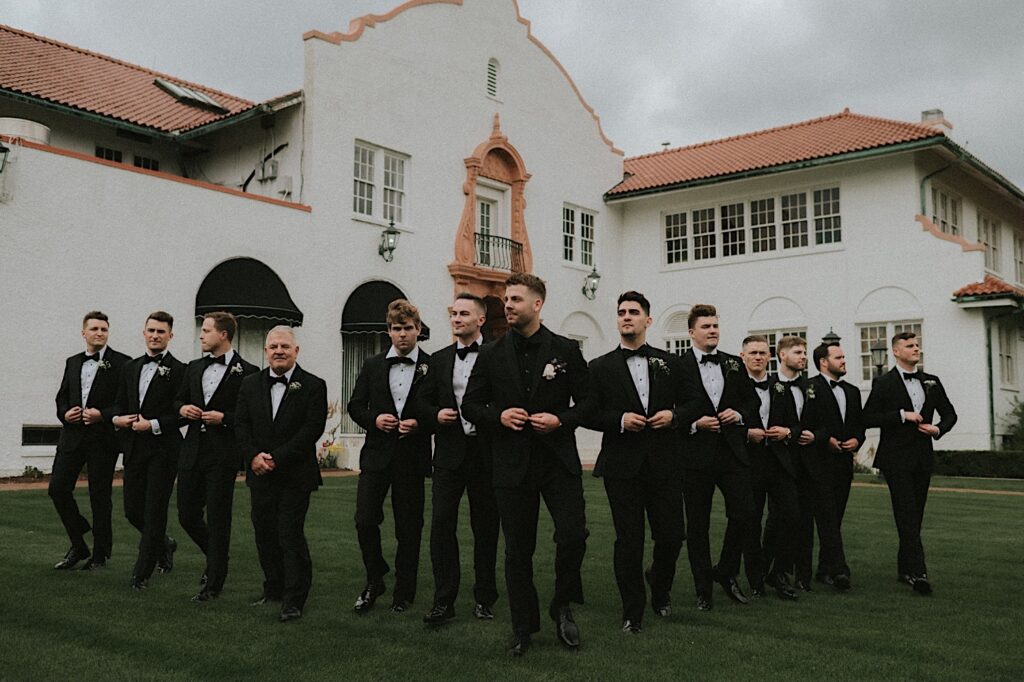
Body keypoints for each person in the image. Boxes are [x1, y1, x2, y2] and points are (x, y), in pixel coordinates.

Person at [462, 273, 589, 657]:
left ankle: (562, 604)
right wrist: (498, 416)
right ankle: (523, 626)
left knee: (573, 535)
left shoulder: (566, 350)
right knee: (518, 549)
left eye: (516, 299)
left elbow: (587, 403)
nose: (508, 305)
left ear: (538, 304)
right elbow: (470, 405)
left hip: (557, 461)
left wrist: (560, 420)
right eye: (507, 299)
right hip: (511, 463)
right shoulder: (490, 354)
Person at [585, 291, 686, 633]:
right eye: (621, 312)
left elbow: (694, 403)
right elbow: (588, 412)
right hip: (621, 465)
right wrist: (619, 420)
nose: (626, 316)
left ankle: (659, 585)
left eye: (634, 312)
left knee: (672, 536)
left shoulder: (670, 363)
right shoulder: (598, 367)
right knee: (629, 540)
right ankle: (633, 611)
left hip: (665, 462)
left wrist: (674, 415)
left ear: (648, 320)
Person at [418, 293, 500, 626]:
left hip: (486, 454)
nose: (456, 318)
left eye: (464, 313)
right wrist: (437, 414)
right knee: (441, 525)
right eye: (453, 313)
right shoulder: (438, 359)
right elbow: (420, 403)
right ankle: (443, 599)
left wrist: (490, 415)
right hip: (449, 456)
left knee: (486, 528)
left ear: (480, 319)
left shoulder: (498, 355)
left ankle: (484, 597)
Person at [236, 326, 327, 622]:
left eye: (285, 346)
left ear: (296, 351)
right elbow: (241, 425)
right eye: (273, 346)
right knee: (264, 533)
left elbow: (312, 429)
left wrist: (277, 457)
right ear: (265, 351)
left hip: (295, 474)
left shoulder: (313, 385)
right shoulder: (250, 384)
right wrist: (252, 457)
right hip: (259, 472)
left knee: (289, 533)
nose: (278, 351)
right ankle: (272, 588)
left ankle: (294, 598)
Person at [347, 300, 433, 614]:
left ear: (418, 330)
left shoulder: (431, 365)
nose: (402, 335)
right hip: (376, 456)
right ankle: (375, 577)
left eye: (407, 328)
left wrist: (420, 423)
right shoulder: (372, 365)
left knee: (409, 526)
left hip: (411, 457)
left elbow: (440, 411)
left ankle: (404, 590)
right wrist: (375, 420)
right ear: (389, 331)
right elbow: (355, 406)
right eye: (396, 329)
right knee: (364, 519)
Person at [677, 304, 757, 611]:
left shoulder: (734, 364)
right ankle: (703, 588)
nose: (713, 330)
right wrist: (695, 423)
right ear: (691, 332)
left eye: (715, 325)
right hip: (695, 455)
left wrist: (738, 414)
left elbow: (750, 402)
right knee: (697, 525)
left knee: (746, 513)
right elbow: (670, 407)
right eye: (706, 326)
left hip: (731, 452)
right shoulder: (678, 365)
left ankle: (725, 570)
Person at [864, 332, 956, 595]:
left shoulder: (932, 381)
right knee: (905, 513)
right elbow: (868, 417)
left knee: (915, 515)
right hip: (895, 459)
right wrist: (902, 416)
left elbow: (950, 414)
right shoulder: (884, 383)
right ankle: (919, 572)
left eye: (917, 345)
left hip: (922, 458)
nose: (916, 349)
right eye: (910, 346)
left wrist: (937, 429)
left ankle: (905, 568)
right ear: (896, 351)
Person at [175, 311, 259, 601]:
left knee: (219, 517)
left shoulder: (248, 372)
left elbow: (251, 417)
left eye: (206, 330)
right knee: (186, 514)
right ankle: (216, 558)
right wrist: (182, 410)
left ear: (223, 335)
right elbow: (179, 399)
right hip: (192, 451)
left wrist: (224, 418)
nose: (201, 335)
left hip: (223, 454)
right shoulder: (193, 367)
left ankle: (214, 581)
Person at [50, 311, 130, 570]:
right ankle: (79, 542)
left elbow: (124, 402)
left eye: (104, 329)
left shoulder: (122, 363)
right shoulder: (72, 362)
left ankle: (100, 554)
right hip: (72, 437)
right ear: (83, 332)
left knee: (100, 496)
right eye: (94, 328)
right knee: (58, 489)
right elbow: (61, 397)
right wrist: (65, 413)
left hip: (102, 439)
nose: (99, 333)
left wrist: (103, 415)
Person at [112, 311, 185, 590]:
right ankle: (165, 543)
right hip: (133, 448)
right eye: (151, 330)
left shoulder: (180, 370)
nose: (155, 335)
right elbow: (119, 403)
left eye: (161, 332)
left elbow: (182, 415)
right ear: (144, 332)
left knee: (155, 510)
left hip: (164, 450)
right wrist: (117, 419)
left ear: (170, 336)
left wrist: (153, 424)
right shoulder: (130, 368)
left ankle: (140, 574)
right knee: (132, 510)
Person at [737, 335, 800, 600]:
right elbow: (726, 426)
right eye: (753, 353)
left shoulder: (780, 388)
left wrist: (786, 432)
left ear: (770, 356)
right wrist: (746, 433)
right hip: (748, 463)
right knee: (750, 521)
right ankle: (756, 578)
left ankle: (778, 570)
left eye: (763, 353)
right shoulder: (735, 388)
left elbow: (796, 426)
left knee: (791, 516)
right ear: (743, 356)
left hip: (778, 462)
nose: (758, 357)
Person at [798, 342, 865, 591]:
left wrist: (857, 439)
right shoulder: (809, 387)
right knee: (826, 516)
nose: (844, 360)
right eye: (839, 357)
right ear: (823, 362)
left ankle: (825, 569)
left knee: (834, 518)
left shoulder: (853, 391)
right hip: (817, 464)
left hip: (843, 465)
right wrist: (826, 440)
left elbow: (860, 424)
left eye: (844, 356)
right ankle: (839, 570)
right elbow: (805, 421)